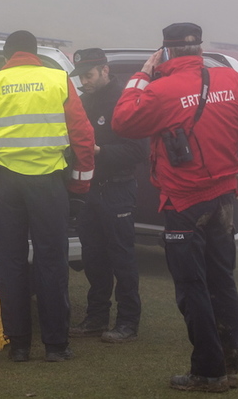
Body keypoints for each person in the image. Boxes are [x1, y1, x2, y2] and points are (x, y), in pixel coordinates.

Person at [112, 23, 238, 392]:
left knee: (192, 288)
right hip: (223, 201)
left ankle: (208, 371)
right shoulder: (231, 82)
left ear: (166, 52)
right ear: (199, 49)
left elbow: (123, 121)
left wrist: (142, 73)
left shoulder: (161, 89)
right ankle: (229, 367)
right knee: (222, 283)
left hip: (183, 204)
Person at [0, 31, 95, 362]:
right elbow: (82, 135)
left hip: (6, 184)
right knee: (52, 262)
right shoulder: (58, 80)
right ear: (36, 52)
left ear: (7, 55)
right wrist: (80, 184)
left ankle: (19, 345)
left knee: (10, 263)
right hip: (49, 183)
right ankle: (56, 346)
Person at [67, 48, 148, 343]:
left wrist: (100, 152)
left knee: (122, 257)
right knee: (93, 257)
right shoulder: (84, 102)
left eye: (89, 75)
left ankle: (128, 321)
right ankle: (96, 317)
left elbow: (139, 150)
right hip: (90, 189)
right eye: (81, 76)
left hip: (118, 188)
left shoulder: (125, 103)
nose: (84, 81)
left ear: (104, 71)